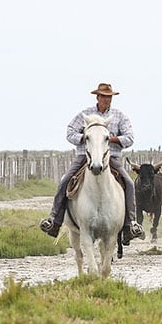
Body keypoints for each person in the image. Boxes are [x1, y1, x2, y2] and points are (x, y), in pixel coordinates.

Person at [39, 83, 144, 245]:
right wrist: (85, 138)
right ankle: (54, 220)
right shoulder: (84, 114)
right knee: (65, 180)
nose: (106, 100)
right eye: (103, 96)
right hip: (84, 156)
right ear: (97, 97)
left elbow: (129, 138)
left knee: (129, 183)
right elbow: (70, 132)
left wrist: (111, 139)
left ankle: (130, 224)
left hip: (112, 157)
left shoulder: (119, 116)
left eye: (109, 97)